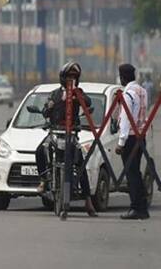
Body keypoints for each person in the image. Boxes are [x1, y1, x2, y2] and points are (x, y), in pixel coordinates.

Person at [34, 62, 97, 217]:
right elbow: (45, 111)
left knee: (80, 163)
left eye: (74, 77)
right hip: (55, 132)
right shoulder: (55, 94)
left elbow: (88, 103)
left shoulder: (79, 92)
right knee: (39, 151)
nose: (71, 79)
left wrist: (76, 94)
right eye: (68, 77)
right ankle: (43, 180)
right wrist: (50, 106)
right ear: (62, 78)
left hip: (71, 135)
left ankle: (88, 200)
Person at [114, 63, 150, 220]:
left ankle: (136, 207)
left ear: (122, 77)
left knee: (132, 174)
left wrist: (121, 142)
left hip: (130, 137)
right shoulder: (142, 91)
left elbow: (126, 119)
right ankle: (142, 207)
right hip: (141, 136)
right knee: (136, 172)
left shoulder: (128, 94)